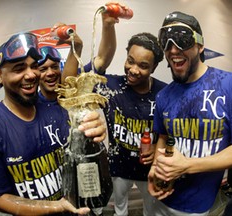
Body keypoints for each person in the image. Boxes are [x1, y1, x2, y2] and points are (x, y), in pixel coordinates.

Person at [0, 32, 106, 216]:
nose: (31, 74)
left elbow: (84, 153)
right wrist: (56, 206)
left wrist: (94, 133)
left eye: (34, 66)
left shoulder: (57, 109)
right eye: (19, 69)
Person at [147, 11, 232, 216]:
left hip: (200, 208)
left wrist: (188, 166)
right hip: (162, 200)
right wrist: (156, 168)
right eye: (166, 41)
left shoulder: (230, 85)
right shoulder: (164, 96)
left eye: (182, 39)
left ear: (200, 45)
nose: (173, 49)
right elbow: (164, 138)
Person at [65, 30, 167, 215]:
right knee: (120, 209)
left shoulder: (164, 93)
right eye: (130, 61)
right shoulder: (111, 86)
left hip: (148, 169)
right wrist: (77, 48)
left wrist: (157, 149)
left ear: (154, 67)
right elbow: (71, 85)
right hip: (119, 168)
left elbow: (173, 134)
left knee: (152, 211)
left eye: (143, 65)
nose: (134, 69)